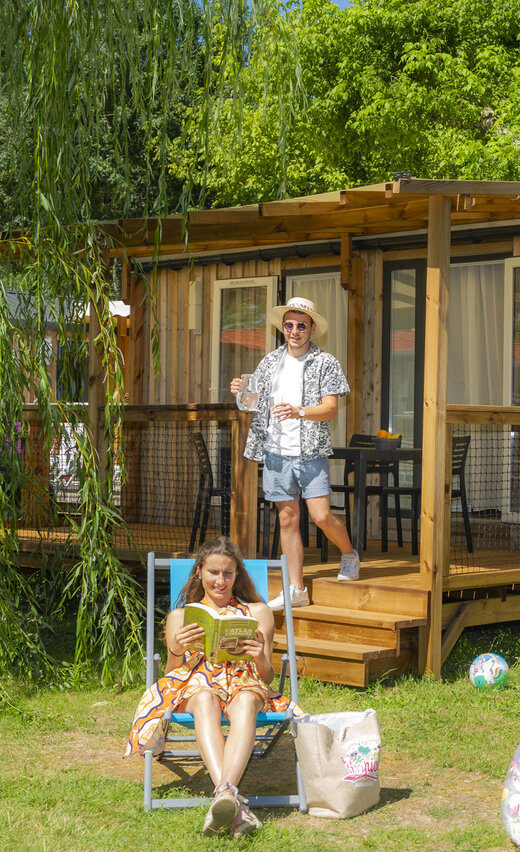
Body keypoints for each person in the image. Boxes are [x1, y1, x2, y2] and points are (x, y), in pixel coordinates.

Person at [124, 537, 293, 837]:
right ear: (199, 571)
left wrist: (259, 655)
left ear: (237, 574)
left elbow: (266, 677)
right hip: (197, 684)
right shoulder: (180, 617)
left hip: (245, 681)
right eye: (213, 572)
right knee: (204, 700)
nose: (220, 580)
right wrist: (176, 649)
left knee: (244, 702)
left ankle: (225, 797)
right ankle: (231, 800)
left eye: (228, 573)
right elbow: (170, 676)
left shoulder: (258, 612)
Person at [230, 295, 361, 610]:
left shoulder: (326, 362)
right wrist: (240, 392)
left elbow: (330, 409)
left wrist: (299, 411)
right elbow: (252, 404)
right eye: (289, 324)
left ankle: (349, 555)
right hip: (275, 452)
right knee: (287, 520)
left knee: (321, 516)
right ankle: (296, 590)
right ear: (282, 328)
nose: (294, 330)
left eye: (301, 325)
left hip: (310, 451)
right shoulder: (269, 362)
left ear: (312, 328)